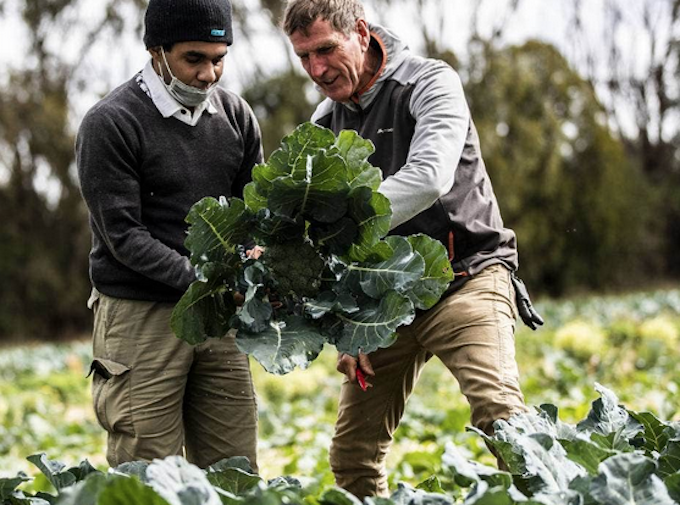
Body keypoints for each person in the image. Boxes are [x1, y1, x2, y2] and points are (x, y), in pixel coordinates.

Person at [282, 0, 543, 498]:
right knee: (352, 458)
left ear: (360, 31)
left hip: (463, 278)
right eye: (303, 57)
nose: (316, 69)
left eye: (325, 49)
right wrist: (348, 321)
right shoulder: (324, 123)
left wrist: (343, 222)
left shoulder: (429, 82)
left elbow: (428, 177)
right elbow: (319, 235)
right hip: (384, 304)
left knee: (501, 418)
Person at [76, 0, 262, 469]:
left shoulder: (237, 117)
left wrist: (258, 260)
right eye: (194, 59)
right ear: (156, 51)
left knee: (234, 467)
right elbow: (124, 236)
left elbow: (255, 215)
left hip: (219, 316)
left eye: (219, 59)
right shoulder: (111, 122)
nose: (208, 74)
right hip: (142, 314)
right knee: (148, 468)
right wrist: (207, 279)